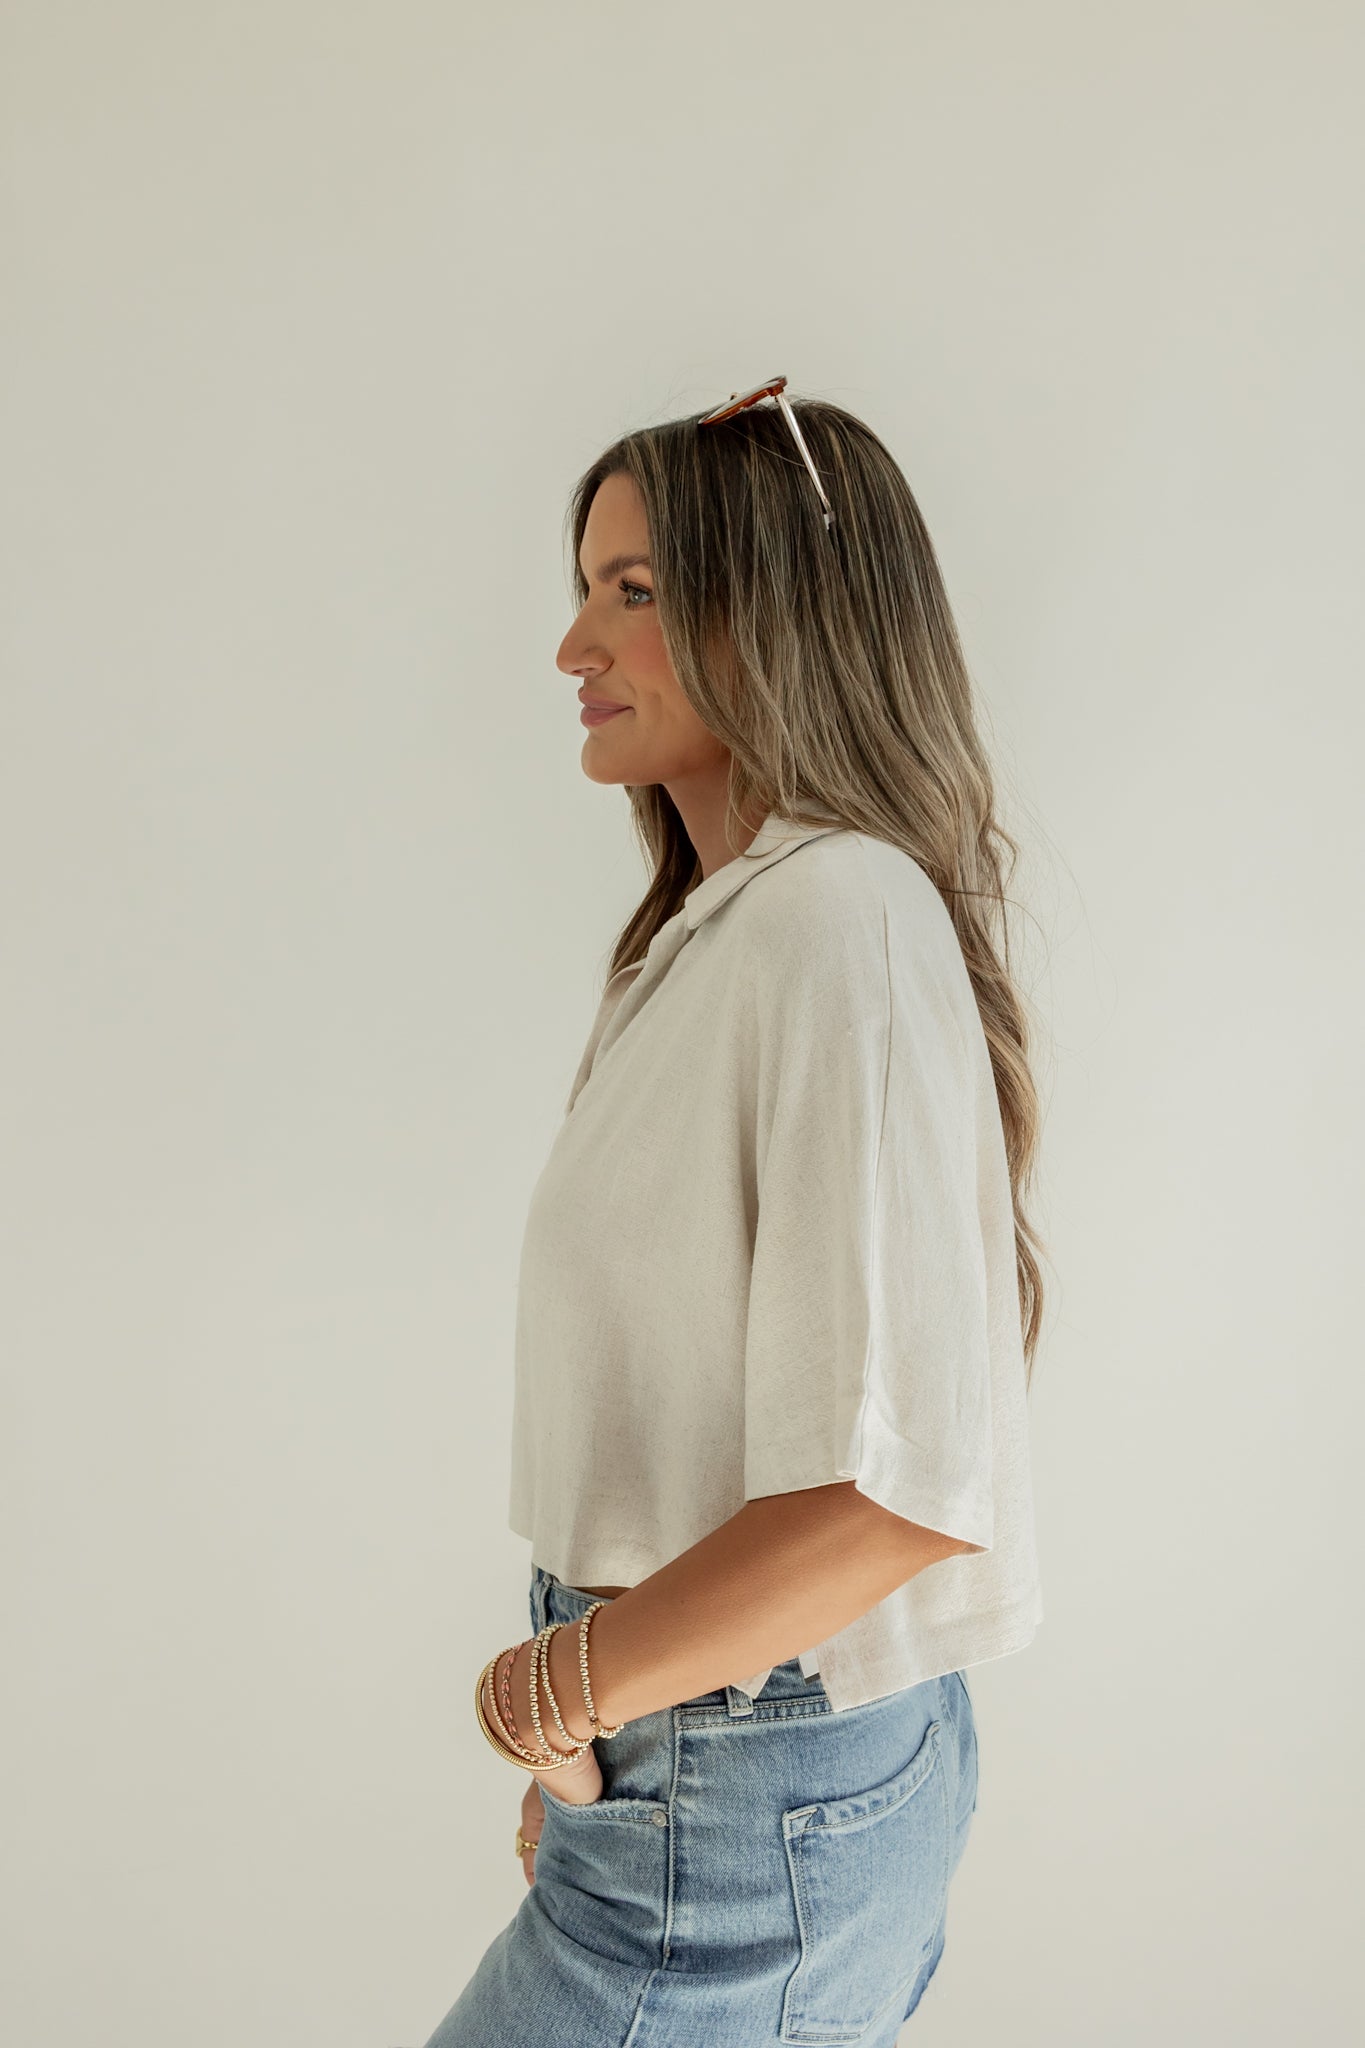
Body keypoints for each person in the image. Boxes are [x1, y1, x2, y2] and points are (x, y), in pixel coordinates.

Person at [420, 378, 1047, 2047]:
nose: (573, 645)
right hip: (704, 1761)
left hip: (737, 1770)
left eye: (632, 593)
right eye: (584, 589)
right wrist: (600, 1720)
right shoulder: (715, 939)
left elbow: (890, 1502)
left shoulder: (837, 919)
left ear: (779, 613)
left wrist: (557, 1690)